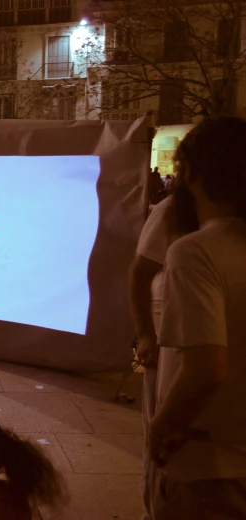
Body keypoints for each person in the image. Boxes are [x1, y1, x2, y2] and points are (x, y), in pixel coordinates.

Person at [148, 117, 246, 519]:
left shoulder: (195, 251)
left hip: (209, 469)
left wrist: (161, 428)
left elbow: (206, 368)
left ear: (190, 172)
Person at [129, 192, 186, 520]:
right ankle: (154, 509)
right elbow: (139, 273)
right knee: (160, 430)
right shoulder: (173, 211)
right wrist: (146, 335)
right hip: (167, 339)